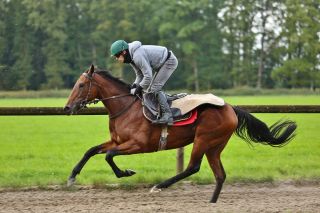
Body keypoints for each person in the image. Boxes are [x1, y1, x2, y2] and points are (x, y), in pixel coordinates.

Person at [110, 40, 178, 125]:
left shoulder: (137, 56)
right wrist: (134, 85)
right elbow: (139, 75)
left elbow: (148, 76)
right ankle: (162, 107)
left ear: (123, 52)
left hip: (169, 62)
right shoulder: (131, 57)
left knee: (154, 88)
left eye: (117, 55)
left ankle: (167, 116)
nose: (116, 58)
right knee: (150, 91)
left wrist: (139, 88)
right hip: (162, 63)